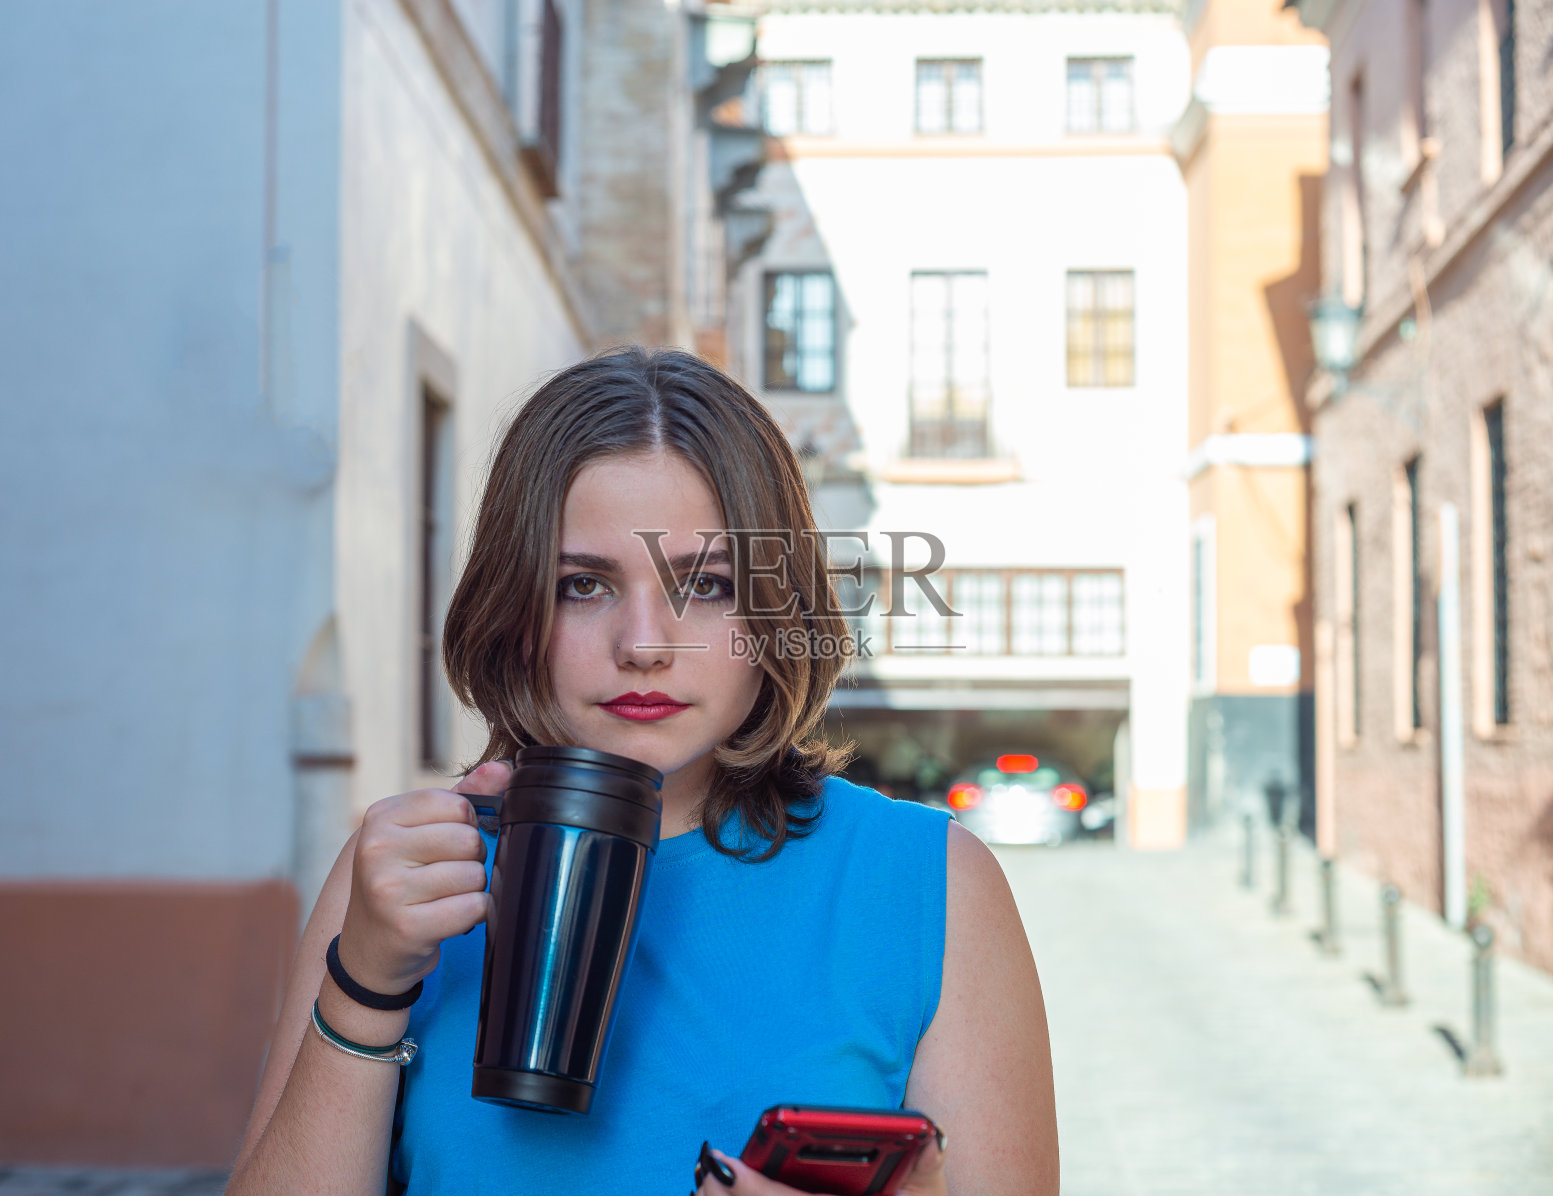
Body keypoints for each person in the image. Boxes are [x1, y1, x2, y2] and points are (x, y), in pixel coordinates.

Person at [227, 347, 1058, 1195]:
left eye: (704, 584)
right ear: (514, 608)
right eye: (583, 586)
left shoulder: (929, 887)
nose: (645, 646)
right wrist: (366, 984)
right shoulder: (408, 879)